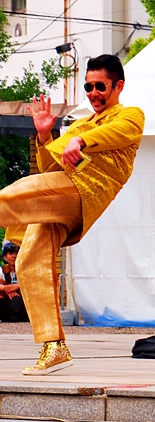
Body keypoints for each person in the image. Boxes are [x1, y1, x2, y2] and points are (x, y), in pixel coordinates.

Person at [0, 54, 144, 375]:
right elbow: (50, 167)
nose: (93, 93)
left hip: (83, 193)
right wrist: (44, 136)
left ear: (118, 86)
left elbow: (115, 133)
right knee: (28, 261)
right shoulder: (79, 123)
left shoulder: (131, 116)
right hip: (60, 197)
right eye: (88, 87)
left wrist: (80, 139)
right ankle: (54, 346)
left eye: (100, 86)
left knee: (14, 195)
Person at [1, 242, 28, 322]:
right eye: (11, 253)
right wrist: (8, 289)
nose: (14, 256)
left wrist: (18, 286)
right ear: (5, 257)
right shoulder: (2, 270)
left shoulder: (28, 270)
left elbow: (35, 283)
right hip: (9, 301)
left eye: (17, 253)